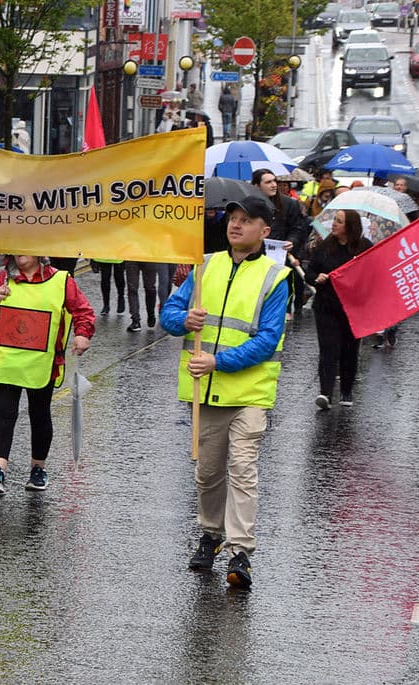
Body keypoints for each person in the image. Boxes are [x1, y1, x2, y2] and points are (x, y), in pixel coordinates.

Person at [160, 196, 291, 588]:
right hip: (205, 393)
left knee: (243, 470)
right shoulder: (206, 265)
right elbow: (169, 315)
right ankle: (210, 536)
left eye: (246, 221)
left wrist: (219, 362)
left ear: (264, 231)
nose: (236, 225)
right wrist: (184, 319)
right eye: (233, 219)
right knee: (208, 472)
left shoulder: (275, 277)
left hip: (248, 393)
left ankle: (241, 552)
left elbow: (268, 340)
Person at [0, 256, 95, 494]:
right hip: (6, 360)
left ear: (38, 253)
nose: (20, 254)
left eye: (26, 249)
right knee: (4, 412)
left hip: (42, 362)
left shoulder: (62, 280)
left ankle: (38, 469)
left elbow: (83, 311)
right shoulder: (4, 278)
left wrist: (83, 334)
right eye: (16, 250)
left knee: (39, 414)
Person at [305, 209, 374, 409]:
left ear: (350, 226)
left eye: (339, 221)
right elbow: (310, 271)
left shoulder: (363, 248)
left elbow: (372, 275)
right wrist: (316, 278)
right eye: (334, 220)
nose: (334, 224)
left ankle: (346, 389)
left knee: (349, 350)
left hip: (353, 309)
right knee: (328, 350)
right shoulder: (325, 245)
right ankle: (325, 392)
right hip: (326, 306)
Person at [252, 168, 310, 315]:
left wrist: (292, 241)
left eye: (274, 181)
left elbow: (297, 228)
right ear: (257, 186)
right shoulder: (248, 204)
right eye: (268, 182)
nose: (274, 185)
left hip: (281, 257)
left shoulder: (289, 204)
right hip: (255, 256)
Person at [125, 261, 159, 331]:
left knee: (149, 288)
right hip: (132, 257)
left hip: (149, 257)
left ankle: (151, 314)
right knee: (132, 289)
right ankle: (135, 320)